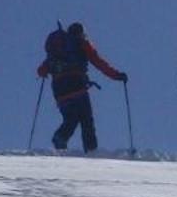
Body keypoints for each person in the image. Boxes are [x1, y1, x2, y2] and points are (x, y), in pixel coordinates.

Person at [36, 21, 126, 153]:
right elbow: (99, 62)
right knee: (86, 120)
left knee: (71, 118)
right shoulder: (81, 43)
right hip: (77, 86)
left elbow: (41, 71)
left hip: (60, 91)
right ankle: (91, 151)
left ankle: (60, 137)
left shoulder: (57, 51)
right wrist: (117, 76)